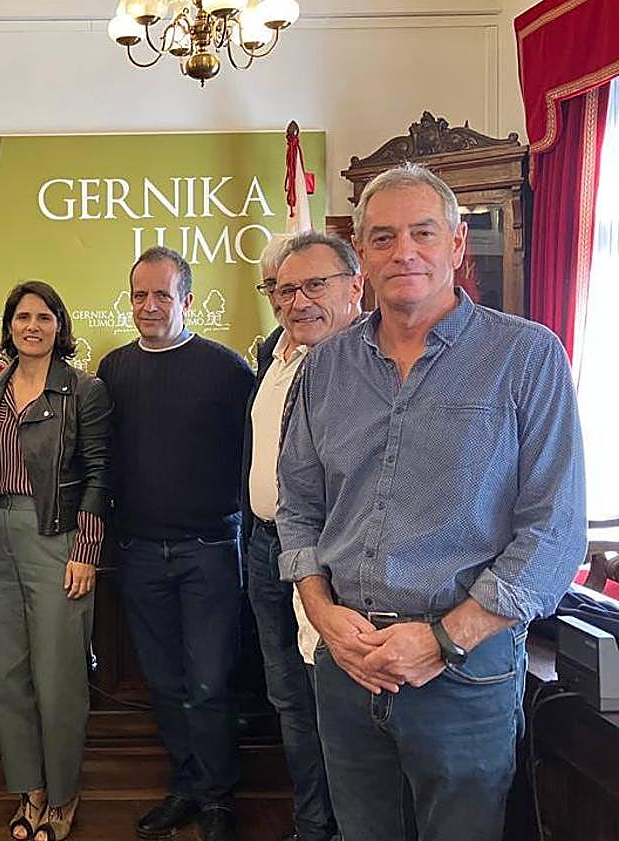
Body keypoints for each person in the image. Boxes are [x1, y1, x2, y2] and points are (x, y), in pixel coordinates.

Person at [277, 164, 587, 841]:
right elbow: (298, 507)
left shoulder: (526, 357)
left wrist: (445, 640)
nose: (403, 251)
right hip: (348, 667)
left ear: (456, 244)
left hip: (464, 675)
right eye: (383, 237)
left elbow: (554, 532)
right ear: (362, 256)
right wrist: (323, 614)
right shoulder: (325, 367)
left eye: (422, 232)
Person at [96, 247, 254, 841]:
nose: (149, 306)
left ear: (187, 299)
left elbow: (254, 458)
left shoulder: (226, 368)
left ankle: (217, 798)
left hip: (210, 549)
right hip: (138, 554)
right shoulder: (113, 369)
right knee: (164, 682)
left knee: (211, 683)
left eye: (162, 294)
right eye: (139, 295)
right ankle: (185, 787)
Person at [241, 231, 364, 841]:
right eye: (283, 290)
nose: (298, 301)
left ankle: (348, 825)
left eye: (316, 285)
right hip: (266, 547)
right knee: (289, 696)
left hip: (331, 561)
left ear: (354, 286)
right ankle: (313, 825)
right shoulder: (276, 357)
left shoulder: (369, 366)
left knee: (334, 699)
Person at [0, 281, 112, 841]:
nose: (31, 326)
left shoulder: (85, 390)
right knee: (8, 676)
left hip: (56, 535)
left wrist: (86, 551)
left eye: (44, 316)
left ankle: (62, 793)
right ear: (8, 326)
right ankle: (28, 789)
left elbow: (100, 476)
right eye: (21, 317)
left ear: (60, 324)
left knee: (58, 677)